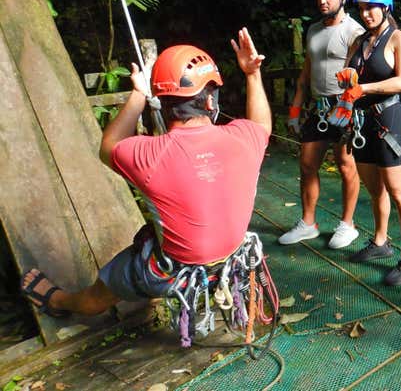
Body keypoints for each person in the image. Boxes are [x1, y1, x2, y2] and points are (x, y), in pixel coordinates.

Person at [21, 29, 272, 316]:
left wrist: (139, 94)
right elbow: (262, 125)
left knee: (106, 286)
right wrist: (252, 74)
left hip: (172, 273)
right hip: (232, 262)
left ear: (162, 103)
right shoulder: (244, 138)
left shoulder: (150, 155)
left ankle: (57, 301)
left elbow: (109, 146)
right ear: (210, 102)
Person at [328, 0, 401, 286]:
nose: (366, 14)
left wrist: (363, 88)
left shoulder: (398, 38)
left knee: (398, 190)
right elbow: (349, 75)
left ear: (386, 7)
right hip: (362, 121)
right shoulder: (359, 41)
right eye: (362, 8)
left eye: (372, 8)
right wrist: (347, 79)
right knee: (373, 187)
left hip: (389, 118)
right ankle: (381, 241)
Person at [279, 0, 364, 249]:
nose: (322, 0)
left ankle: (348, 225)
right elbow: (306, 72)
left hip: (344, 106)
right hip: (318, 107)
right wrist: (295, 108)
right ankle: (308, 223)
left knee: (346, 165)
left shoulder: (354, 32)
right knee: (307, 164)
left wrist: (352, 107)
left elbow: (359, 73)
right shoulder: (313, 30)